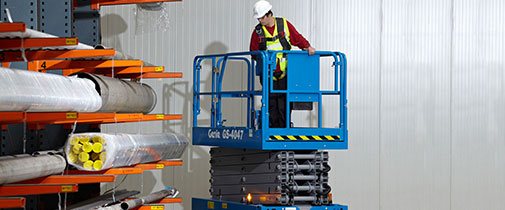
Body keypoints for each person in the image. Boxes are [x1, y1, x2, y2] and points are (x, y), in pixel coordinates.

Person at [249, 0, 315, 128]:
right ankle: (273, 129)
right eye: (258, 18)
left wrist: (307, 47)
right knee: (271, 102)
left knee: (285, 101)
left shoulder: (284, 24)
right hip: (268, 73)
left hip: (285, 72)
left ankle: (285, 128)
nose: (259, 21)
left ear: (269, 15)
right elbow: (253, 52)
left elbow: (297, 38)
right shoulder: (257, 32)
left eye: (261, 18)